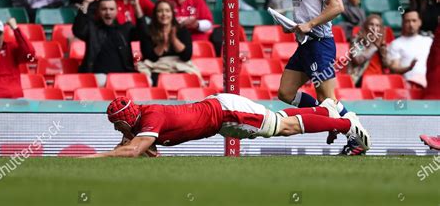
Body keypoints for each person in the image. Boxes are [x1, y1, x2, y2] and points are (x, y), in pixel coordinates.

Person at [276, 0, 366, 155]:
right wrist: (295, 26)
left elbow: (337, 6)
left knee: (329, 101)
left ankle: (356, 137)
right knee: (286, 93)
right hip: (305, 44)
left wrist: (310, 24)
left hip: (320, 44)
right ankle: (329, 119)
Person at [85, 94, 371, 158]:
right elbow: (138, 148)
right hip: (221, 117)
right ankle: (326, 109)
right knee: (277, 119)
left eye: (116, 124)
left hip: (225, 113)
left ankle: (347, 123)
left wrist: (97, 156)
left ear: (124, 119)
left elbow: (134, 151)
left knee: (282, 127)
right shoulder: (144, 119)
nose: (116, 130)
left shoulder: (151, 119)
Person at [137, 0, 201, 86]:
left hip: (179, 66)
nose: (164, 14)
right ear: (155, 14)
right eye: (160, 11)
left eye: (167, 11)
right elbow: (150, 57)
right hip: (156, 68)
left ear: (172, 14)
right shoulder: (147, 32)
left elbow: (186, 56)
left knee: (191, 79)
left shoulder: (182, 31)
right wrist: (163, 43)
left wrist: (173, 39)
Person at [72, 0, 137, 74]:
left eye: (111, 9)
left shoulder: (126, 29)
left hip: (123, 77)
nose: (108, 12)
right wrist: (85, 2)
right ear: (98, 11)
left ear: (117, 11)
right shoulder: (92, 30)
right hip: (97, 77)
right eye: (104, 9)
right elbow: (78, 30)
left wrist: (137, 7)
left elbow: (144, 34)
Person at [387, 9, 433, 88]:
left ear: (420, 22)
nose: (411, 24)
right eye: (407, 21)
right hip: (407, 86)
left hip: (430, 85)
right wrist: (409, 68)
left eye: (414, 21)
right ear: (402, 23)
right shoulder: (396, 44)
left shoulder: (429, 41)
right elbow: (394, 68)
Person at [347, 15, 390, 87]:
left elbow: (387, 65)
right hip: (361, 81)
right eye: (371, 24)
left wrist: (383, 51)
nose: (374, 28)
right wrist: (374, 46)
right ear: (365, 26)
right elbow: (357, 60)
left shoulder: (381, 43)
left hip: (380, 80)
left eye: (377, 26)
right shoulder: (357, 41)